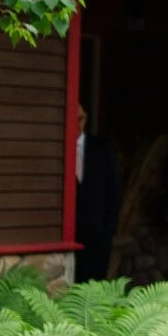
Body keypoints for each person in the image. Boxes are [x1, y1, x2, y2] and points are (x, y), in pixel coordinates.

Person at [72, 104, 119, 284]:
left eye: (81, 118)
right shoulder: (61, 148)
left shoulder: (102, 149)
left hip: (97, 233)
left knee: (95, 285)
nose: (77, 123)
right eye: (73, 118)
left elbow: (113, 190)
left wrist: (109, 228)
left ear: (86, 118)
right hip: (71, 231)